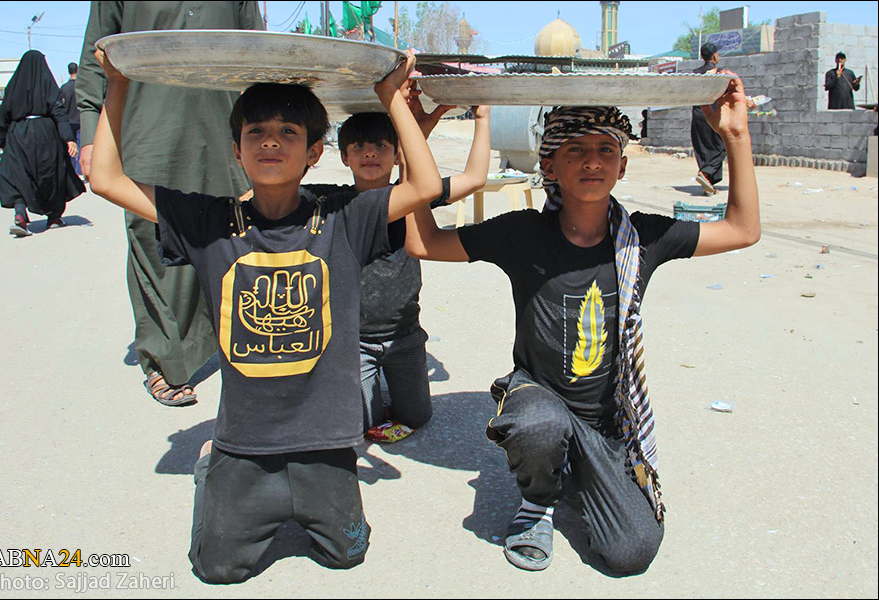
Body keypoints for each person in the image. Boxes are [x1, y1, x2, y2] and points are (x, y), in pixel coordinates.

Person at [90, 48, 443, 582]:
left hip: (326, 440)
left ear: (315, 151)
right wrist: (117, 84)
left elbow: (425, 187)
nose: (271, 141)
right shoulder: (209, 222)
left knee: (347, 555)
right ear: (237, 150)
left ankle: (309, 499)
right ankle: (213, 470)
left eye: (288, 133)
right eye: (256, 133)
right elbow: (106, 180)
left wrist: (390, 96)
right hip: (244, 442)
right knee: (216, 570)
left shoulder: (344, 218)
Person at [404, 74, 759, 573]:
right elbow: (423, 243)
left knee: (632, 551)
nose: (592, 161)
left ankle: (575, 466)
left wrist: (735, 138)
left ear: (622, 164)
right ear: (548, 164)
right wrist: (410, 143)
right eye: (574, 150)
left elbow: (743, 229)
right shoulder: (522, 233)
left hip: (606, 423)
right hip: (538, 398)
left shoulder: (645, 239)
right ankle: (537, 500)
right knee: (538, 425)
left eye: (604, 149)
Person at [76, 2, 264, 406]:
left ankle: (249, 339)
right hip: (148, 124)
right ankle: (164, 360)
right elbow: (96, 53)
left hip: (227, 125)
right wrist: (90, 132)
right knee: (154, 236)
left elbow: (258, 51)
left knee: (236, 229)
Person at [306, 101, 490, 442]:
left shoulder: (415, 198)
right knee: (360, 424)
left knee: (417, 417)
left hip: (405, 336)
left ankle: (389, 388)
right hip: (353, 341)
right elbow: (265, 195)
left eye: (381, 146)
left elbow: (475, 178)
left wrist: (482, 117)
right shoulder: (332, 203)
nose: (370, 154)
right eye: (358, 146)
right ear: (344, 156)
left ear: (396, 155)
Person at [0, 50, 84, 237]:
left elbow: (3, 116)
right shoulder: (48, 86)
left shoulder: (13, 86)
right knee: (51, 175)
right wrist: (68, 138)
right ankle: (53, 217)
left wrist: (2, 141)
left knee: (17, 174)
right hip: (46, 134)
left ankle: (20, 214)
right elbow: (58, 112)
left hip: (18, 134)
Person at [690, 42, 725, 196]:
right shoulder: (719, 73)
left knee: (703, 148)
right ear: (714, 55)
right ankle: (705, 173)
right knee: (721, 147)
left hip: (697, 114)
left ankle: (708, 183)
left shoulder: (695, 73)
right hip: (713, 114)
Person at [57, 62, 81, 176]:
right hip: (81, 120)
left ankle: (72, 170)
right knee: (81, 146)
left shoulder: (64, 88)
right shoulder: (82, 86)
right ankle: (81, 170)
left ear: (68, 71)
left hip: (69, 121)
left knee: (70, 147)